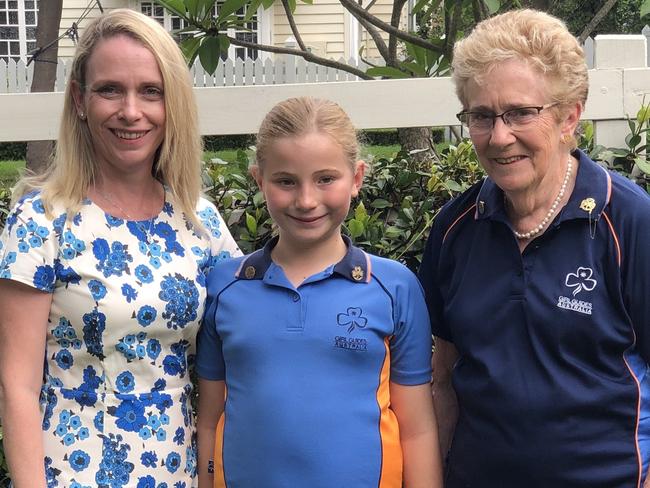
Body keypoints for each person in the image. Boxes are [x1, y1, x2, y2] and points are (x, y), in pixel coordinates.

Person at [0, 9, 240, 488]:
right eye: (111, 89)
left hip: (179, 472)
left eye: (151, 91)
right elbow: (17, 388)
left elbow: (248, 338)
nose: (131, 111)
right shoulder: (41, 222)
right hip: (71, 473)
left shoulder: (200, 222)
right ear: (80, 100)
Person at [418, 8, 650, 488]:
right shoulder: (454, 229)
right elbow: (441, 378)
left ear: (569, 115)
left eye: (521, 112)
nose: (500, 137)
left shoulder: (628, 221)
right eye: (481, 116)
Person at [195, 96, 442, 488]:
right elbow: (208, 421)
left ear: (357, 178)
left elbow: (418, 430)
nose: (306, 200)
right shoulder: (225, 287)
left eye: (326, 179)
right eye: (285, 181)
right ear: (259, 180)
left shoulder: (394, 287)